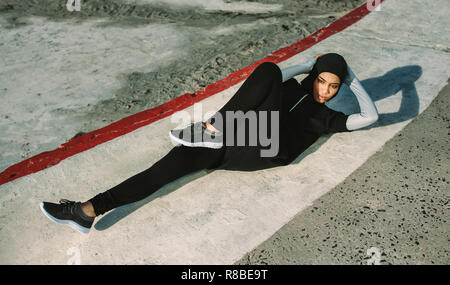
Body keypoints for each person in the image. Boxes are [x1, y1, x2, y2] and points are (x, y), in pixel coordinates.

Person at [40, 53, 378, 234]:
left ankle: (214, 124)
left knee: (269, 77)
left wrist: (351, 78)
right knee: (162, 170)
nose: (325, 91)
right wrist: (308, 64)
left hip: (271, 148)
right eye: (322, 81)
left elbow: (370, 117)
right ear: (315, 75)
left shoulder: (328, 117)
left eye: (334, 87)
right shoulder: (291, 89)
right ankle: (87, 211)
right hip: (238, 138)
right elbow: (276, 77)